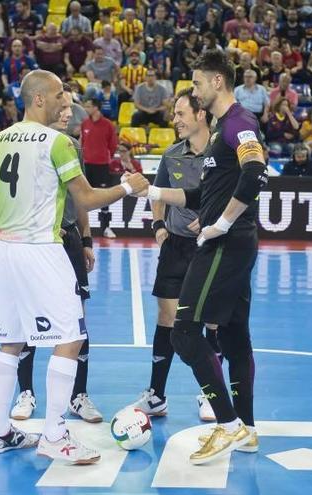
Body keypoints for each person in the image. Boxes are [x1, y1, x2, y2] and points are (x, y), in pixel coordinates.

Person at [0, 69, 147, 463]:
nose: (64, 105)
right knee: (71, 337)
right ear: (38, 99)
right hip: (42, 251)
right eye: (58, 98)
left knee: (11, 342)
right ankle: (54, 434)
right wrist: (126, 188)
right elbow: (83, 199)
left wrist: (14, 209)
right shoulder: (59, 142)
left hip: (6, 250)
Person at [132, 50, 264, 464]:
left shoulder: (239, 123)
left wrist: (221, 223)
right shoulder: (223, 129)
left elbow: (256, 172)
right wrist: (152, 193)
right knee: (236, 337)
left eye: (198, 83)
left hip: (226, 244)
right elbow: (198, 195)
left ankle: (226, 426)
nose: (195, 89)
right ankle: (247, 430)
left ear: (217, 82)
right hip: (233, 241)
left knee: (185, 332)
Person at [125, 88, 223, 421]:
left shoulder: (224, 151)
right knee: (166, 319)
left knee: (211, 318)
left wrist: (214, 219)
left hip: (212, 246)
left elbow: (242, 194)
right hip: (177, 246)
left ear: (201, 114)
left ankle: (211, 393)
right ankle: (157, 395)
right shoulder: (172, 155)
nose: (175, 120)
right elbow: (160, 192)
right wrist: (158, 226)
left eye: (181, 113)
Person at [11, 84, 102, 425]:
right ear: (46, 105)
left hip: (69, 242)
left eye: (70, 110)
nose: (67, 114)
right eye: (62, 108)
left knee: (77, 319)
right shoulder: (22, 145)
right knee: (25, 318)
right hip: (35, 242)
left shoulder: (71, 146)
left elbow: (81, 196)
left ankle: (78, 396)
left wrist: (88, 238)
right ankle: (26, 392)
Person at [80, 97, 119, 238]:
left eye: (88, 105)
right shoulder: (85, 124)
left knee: (104, 198)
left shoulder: (108, 125)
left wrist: (104, 156)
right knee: (81, 198)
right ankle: (82, 230)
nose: (86, 108)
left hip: (102, 166)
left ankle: (106, 228)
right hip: (86, 166)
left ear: (96, 107)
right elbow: (82, 143)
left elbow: (113, 146)